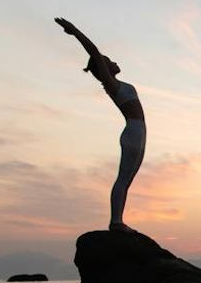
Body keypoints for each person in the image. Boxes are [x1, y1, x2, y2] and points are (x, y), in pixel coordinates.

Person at [56, 17, 145, 232]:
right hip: (133, 132)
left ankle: (118, 221)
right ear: (104, 69)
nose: (114, 62)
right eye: (109, 61)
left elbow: (97, 56)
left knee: (127, 181)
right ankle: (116, 223)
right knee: (123, 179)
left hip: (138, 133)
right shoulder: (111, 84)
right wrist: (75, 31)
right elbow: (94, 51)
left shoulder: (117, 84)